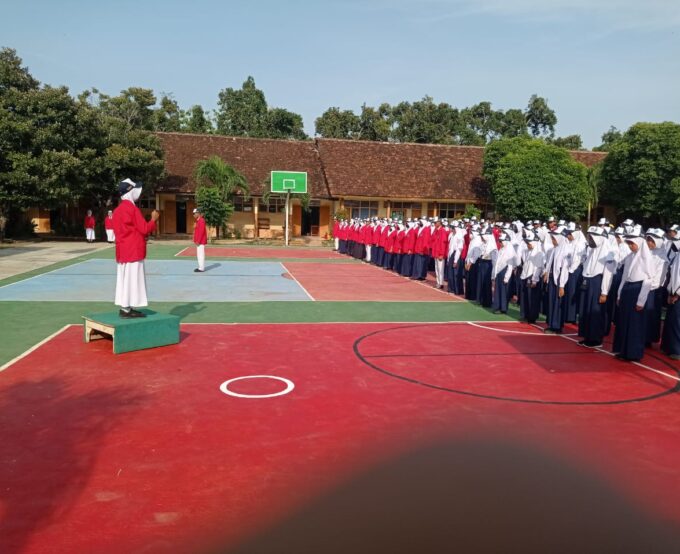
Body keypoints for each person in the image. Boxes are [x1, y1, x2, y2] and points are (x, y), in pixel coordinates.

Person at [113, 178, 159, 319]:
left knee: (124, 279)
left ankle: (126, 306)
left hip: (122, 250)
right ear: (129, 191)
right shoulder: (132, 209)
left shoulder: (117, 210)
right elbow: (144, 229)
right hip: (133, 250)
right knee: (133, 279)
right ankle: (127, 309)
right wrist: (153, 220)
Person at [612, 226, 654, 362]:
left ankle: (634, 353)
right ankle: (624, 351)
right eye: (629, 243)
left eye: (632, 243)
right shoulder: (630, 256)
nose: (630, 246)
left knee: (635, 324)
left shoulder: (646, 257)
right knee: (624, 322)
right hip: (627, 289)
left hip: (638, 289)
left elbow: (649, 279)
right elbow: (624, 276)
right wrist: (619, 294)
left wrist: (641, 301)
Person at [578, 227, 616, 347]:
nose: (590, 240)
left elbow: (608, 274)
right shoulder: (593, 250)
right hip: (588, 282)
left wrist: (604, 292)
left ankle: (596, 339)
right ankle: (587, 336)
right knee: (586, 310)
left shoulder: (607, 252)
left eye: (592, 237)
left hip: (597, 283)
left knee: (595, 312)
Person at [491, 231, 517, 314]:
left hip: (505, 272)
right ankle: (497, 306)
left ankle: (503, 308)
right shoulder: (502, 249)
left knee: (504, 292)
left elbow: (510, 266)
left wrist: (506, 277)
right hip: (499, 272)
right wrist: (494, 274)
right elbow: (497, 262)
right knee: (498, 290)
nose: (500, 243)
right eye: (499, 241)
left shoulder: (509, 250)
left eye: (501, 241)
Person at [193, 208, 208, 272]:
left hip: (200, 241)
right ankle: (200, 267)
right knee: (199, 254)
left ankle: (201, 268)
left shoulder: (201, 220)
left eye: (194, 213)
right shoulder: (198, 221)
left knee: (201, 254)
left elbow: (201, 232)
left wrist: (198, 241)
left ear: (198, 213)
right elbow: (197, 231)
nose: (193, 215)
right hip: (198, 241)